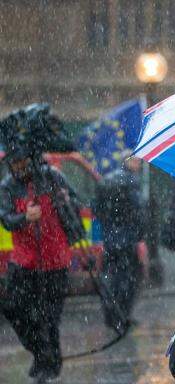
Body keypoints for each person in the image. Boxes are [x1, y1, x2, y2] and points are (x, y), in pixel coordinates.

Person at [0, 149, 79, 382]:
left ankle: (50, 366)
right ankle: (42, 355)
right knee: (16, 310)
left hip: (56, 261)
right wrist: (24, 217)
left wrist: (67, 200)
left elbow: (76, 202)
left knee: (50, 317)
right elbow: (5, 219)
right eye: (14, 165)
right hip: (23, 262)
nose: (18, 168)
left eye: (22, 162)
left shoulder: (53, 177)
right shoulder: (7, 186)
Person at [93, 151, 144, 332]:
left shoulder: (106, 180)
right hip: (127, 240)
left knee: (110, 278)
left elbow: (96, 208)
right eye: (137, 161)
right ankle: (122, 317)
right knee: (126, 280)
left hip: (110, 239)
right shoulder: (132, 182)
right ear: (127, 161)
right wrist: (139, 234)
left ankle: (110, 316)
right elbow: (138, 211)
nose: (139, 165)